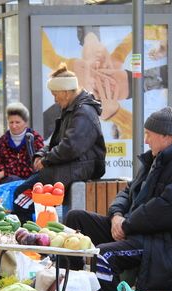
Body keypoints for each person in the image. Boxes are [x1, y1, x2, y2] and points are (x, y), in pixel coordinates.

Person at [62, 107, 172, 291]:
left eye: (149, 135)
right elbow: (129, 191)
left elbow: (164, 211)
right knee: (76, 219)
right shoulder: (158, 158)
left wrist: (127, 225)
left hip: (166, 246)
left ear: (166, 136)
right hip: (139, 232)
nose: (145, 140)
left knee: (103, 255)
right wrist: (116, 215)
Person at [11, 63, 106, 223]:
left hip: (79, 168)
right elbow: (56, 142)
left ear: (66, 92)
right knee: (26, 193)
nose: (54, 99)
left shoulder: (83, 112)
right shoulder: (73, 109)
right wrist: (41, 154)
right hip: (70, 165)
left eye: (55, 94)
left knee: (21, 195)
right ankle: (37, 234)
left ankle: (30, 237)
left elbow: (71, 147)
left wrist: (46, 160)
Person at [0, 102, 45, 194]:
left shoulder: (36, 140)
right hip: (7, 186)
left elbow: (35, 167)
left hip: (30, 186)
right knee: (10, 180)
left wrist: (4, 173)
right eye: (11, 122)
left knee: (13, 180)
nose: (14, 126)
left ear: (25, 123)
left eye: (17, 122)